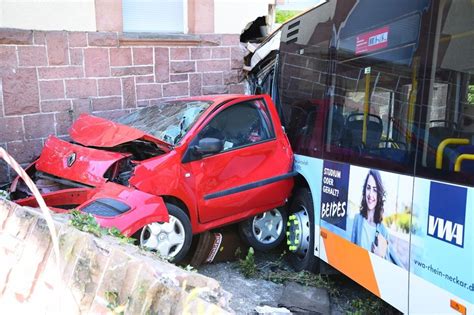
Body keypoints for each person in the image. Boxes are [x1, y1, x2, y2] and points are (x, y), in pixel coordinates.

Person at [351, 169, 402, 266]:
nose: (370, 194)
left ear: (379, 195)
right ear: (364, 190)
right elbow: (351, 252)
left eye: (375, 190)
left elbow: (386, 266)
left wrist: (380, 256)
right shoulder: (357, 219)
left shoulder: (383, 231)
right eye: (368, 188)